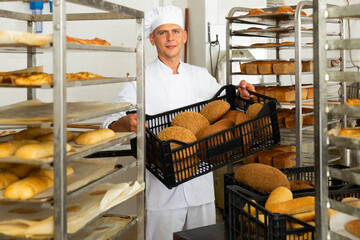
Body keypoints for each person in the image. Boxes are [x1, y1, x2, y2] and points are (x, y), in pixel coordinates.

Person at [103, 5, 255, 239]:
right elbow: (110, 121)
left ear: (184, 36)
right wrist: (126, 123)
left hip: (201, 184)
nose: (170, 38)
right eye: (163, 33)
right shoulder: (139, 80)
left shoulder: (200, 75)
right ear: (152, 40)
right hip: (162, 189)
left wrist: (242, 94)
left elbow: (227, 106)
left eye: (175, 31)